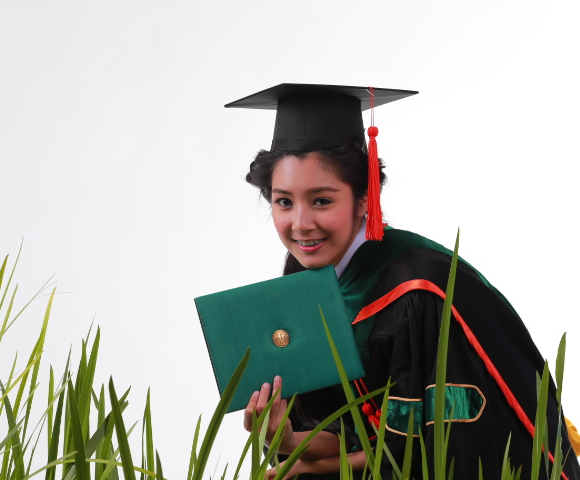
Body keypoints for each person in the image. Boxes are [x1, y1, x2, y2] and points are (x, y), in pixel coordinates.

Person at [226, 84, 580, 479]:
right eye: (284, 201)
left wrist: (309, 469)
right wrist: (289, 440)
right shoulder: (307, 282)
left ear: (365, 198)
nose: (301, 223)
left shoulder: (417, 291)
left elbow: (420, 448)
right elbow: (357, 432)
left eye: (322, 200)